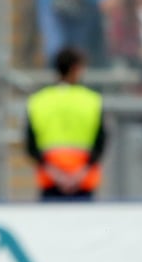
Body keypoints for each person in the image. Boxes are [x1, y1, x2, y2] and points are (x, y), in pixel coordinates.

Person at [25, 46, 107, 201]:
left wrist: (57, 175)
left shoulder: (38, 101)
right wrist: (78, 175)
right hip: (83, 182)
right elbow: (100, 144)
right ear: (76, 68)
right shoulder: (92, 100)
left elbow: (31, 147)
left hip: (50, 182)